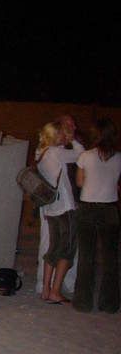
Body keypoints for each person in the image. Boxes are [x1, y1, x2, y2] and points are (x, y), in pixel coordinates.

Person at [73, 119, 121, 313]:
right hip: (110, 209)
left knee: (87, 256)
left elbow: (79, 182)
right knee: (110, 258)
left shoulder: (85, 156)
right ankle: (109, 303)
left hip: (88, 208)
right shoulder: (119, 157)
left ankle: (83, 302)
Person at [36, 121, 83, 303]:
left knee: (53, 248)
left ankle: (46, 289)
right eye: (62, 133)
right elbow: (80, 154)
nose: (65, 135)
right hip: (64, 208)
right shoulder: (56, 152)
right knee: (67, 251)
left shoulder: (41, 152)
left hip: (51, 208)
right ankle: (55, 291)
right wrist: (73, 140)